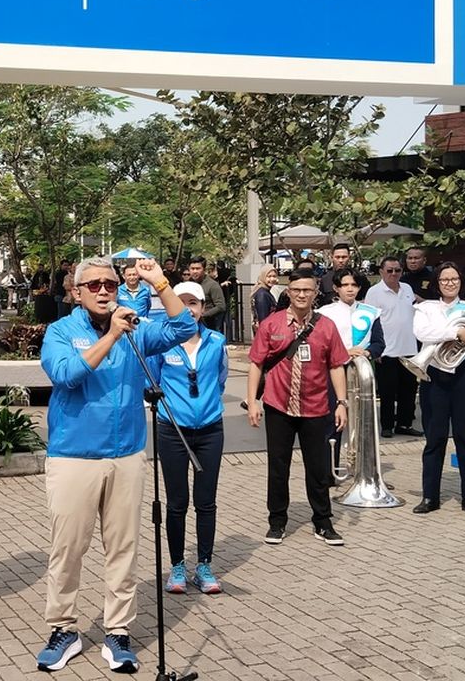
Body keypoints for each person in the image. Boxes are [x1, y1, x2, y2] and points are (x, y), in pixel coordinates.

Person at [35, 257, 194, 674]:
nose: (104, 290)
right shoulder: (61, 331)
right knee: (68, 548)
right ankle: (63, 628)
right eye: (94, 285)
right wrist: (112, 336)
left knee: (122, 549)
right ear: (77, 292)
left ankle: (118, 630)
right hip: (74, 457)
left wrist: (160, 284)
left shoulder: (135, 326)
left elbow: (184, 329)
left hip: (126, 456)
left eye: (110, 283)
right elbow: (66, 373)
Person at [247, 268, 349, 548]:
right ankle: (277, 521)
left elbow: (336, 365)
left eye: (308, 290)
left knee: (317, 468)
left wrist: (341, 402)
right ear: (288, 292)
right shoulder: (272, 324)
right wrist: (253, 401)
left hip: (316, 407)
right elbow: (256, 363)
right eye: (296, 290)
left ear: (316, 293)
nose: (302, 294)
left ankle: (323, 521)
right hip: (278, 405)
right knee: (277, 467)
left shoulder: (326, 326)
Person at [149, 282, 228, 596]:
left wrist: (205, 406)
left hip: (210, 430)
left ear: (202, 306)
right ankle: (178, 566)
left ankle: (205, 565)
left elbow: (220, 380)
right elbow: (153, 378)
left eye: (193, 303)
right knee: (177, 502)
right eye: (181, 303)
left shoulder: (216, 341)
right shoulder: (163, 344)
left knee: (206, 502)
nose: (188, 309)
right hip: (172, 430)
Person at [410, 262, 465, 516]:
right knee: (434, 439)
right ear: (437, 283)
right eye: (444, 279)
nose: (450, 283)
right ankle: (430, 497)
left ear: (461, 281)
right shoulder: (425, 308)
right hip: (436, 376)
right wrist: (459, 332)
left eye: (454, 278)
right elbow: (423, 332)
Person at [317, 268, 386, 475]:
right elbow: (319, 346)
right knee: (333, 422)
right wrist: (345, 352)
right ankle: (329, 470)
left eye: (354, 285)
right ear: (336, 288)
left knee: (362, 421)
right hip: (332, 373)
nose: (350, 289)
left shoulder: (371, 312)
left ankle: (362, 469)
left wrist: (365, 352)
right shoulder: (324, 314)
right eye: (345, 285)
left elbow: (379, 344)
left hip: (360, 373)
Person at [364, 256, 423, 439]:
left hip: (409, 348)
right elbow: (370, 321)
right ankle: (387, 426)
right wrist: (374, 348)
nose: (394, 274)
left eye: (397, 270)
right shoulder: (374, 292)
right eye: (389, 270)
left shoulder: (407, 288)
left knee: (409, 390)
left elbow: (416, 306)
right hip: (386, 350)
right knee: (387, 392)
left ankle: (404, 424)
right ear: (381, 272)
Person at [188, 257, 227, 333]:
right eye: (192, 269)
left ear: (204, 270)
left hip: (208, 326)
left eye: (198, 268)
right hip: (191, 326)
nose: (195, 271)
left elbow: (221, 306)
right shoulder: (188, 284)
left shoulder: (212, 285)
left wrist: (203, 315)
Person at [251, 264, 278, 337]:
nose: (272, 279)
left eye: (274, 276)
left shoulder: (265, 291)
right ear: (263, 277)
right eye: (269, 276)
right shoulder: (262, 294)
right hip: (265, 334)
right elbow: (263, 320)